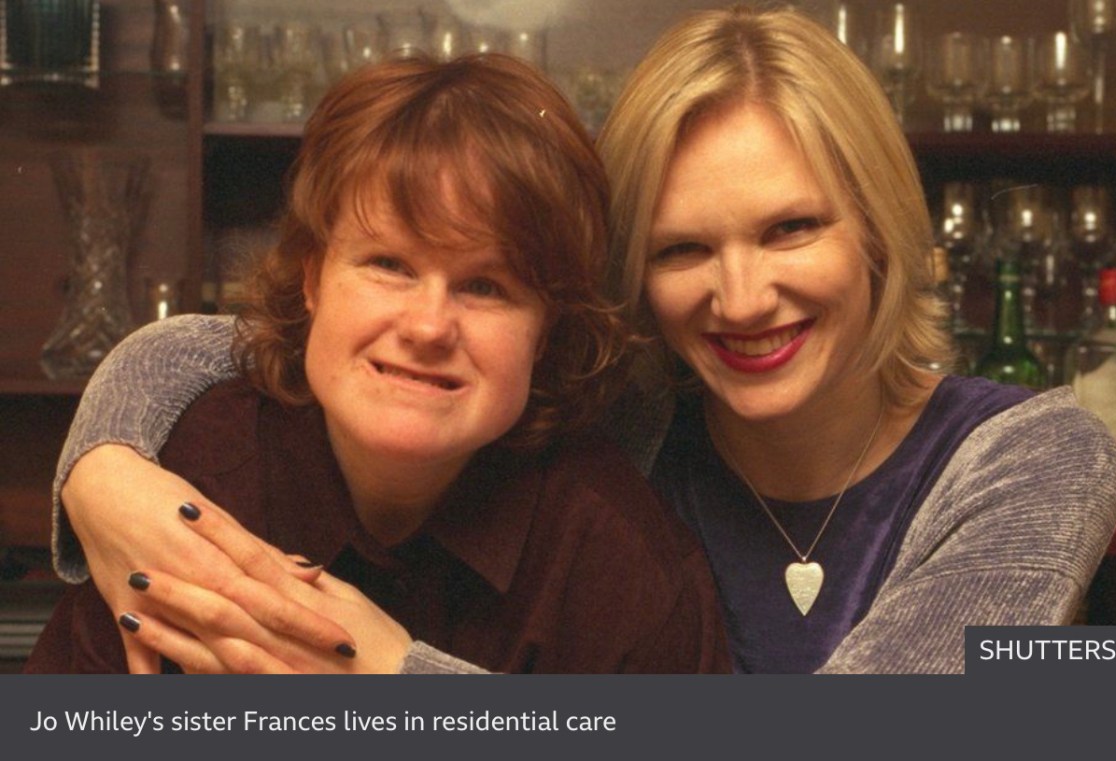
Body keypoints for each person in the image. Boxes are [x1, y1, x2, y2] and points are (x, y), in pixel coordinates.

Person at [43, 7, 1116, 674]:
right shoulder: (636, 407)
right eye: (683, 247)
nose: (743, 297)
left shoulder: (1036, 458)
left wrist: (386, 677)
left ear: (879, 229)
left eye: (791, 228)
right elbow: (240, 345)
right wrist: (106, 471)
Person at [24, 53, 729, 674]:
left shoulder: (627, 565)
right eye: (389, 265)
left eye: (486, 286)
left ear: (547, 329)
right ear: (312, 279)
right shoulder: (191, 469)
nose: (428, 326)